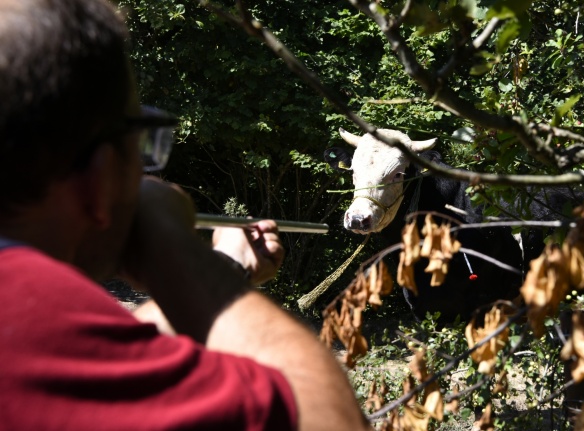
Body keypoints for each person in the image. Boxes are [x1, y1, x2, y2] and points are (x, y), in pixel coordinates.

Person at [0, 0, 370, 430]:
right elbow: (325, 419)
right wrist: (173, 248)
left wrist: (223, 269)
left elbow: (110, 356)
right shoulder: (23, 315)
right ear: (97, 179)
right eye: (140, 140)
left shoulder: (34, 335)